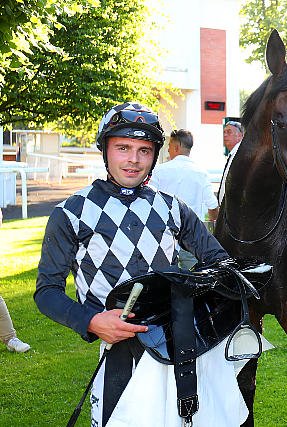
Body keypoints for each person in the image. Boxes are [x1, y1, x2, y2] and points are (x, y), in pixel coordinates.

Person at [34, 102, 247, 426]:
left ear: (155, 155)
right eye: (123, 148)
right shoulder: (70, 213)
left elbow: (219, 260)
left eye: (144, 150)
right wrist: (91, 321)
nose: (133, 159)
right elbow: (47, 291)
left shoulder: (173, 207)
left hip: (176, 346)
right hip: (118, 352)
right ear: (105, 150)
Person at [149, 128, 219, 269]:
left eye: (169, 146)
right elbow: (212, 206)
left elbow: (148, 199)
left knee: (166, 275)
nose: (168, 150)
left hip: (164, 235)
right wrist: (213, 229)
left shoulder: (159, 171)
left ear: (176, 147)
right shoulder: (201, 173)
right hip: (192, 235)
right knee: (192, 277)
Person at [218, 120, 244, 205]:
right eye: (224, 132)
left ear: (240, 135)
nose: (225, 135)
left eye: (229, 132)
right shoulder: (233, 154)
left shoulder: (240, 155)